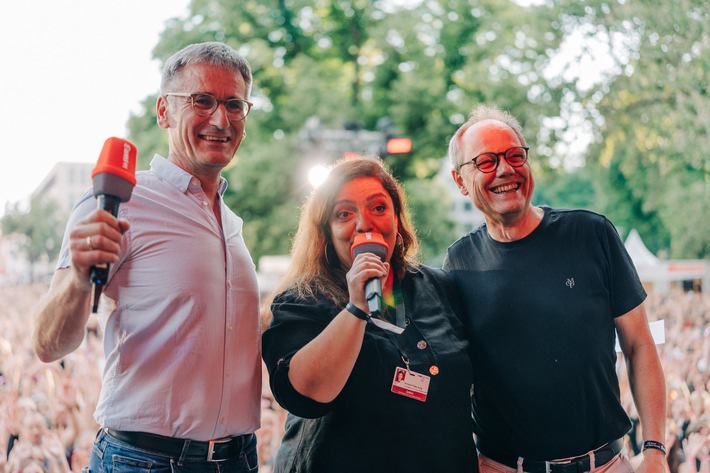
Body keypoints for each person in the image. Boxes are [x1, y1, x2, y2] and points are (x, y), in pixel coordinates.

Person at [33, 42, 261, 472]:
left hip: (238, 459)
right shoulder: (120, 201)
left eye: (234, 104)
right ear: (164, 112)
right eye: (202, 101)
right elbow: (48, 345)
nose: (220, 118)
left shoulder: (230, 222)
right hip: (144, 460)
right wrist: (80, 278)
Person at [444, 104, 668, 473]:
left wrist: (656, 449)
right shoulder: (458, 263)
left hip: (606, 464)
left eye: (515, 155)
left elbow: (639, 344)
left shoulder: (591, 234)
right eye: (486, 161)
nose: (505, 169)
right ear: (460, 180)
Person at [261, 156, 478, 472]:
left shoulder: (437, 286)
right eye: (344, 214)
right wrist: (357, 307)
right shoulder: (301, 300)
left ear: (397, 220)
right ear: (327, 233)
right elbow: (305, 395)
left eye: (378, 208)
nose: (364, 223)